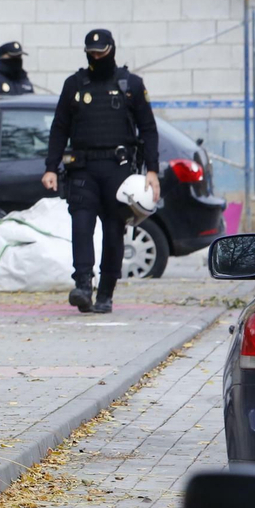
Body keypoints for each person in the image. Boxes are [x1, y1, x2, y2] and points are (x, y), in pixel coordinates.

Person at [41, 28, 160, 314]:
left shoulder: (130, 84)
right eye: (91, 52)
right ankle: (83, 286)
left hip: (118, 170)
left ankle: (106, 291)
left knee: (112, 229)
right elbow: (60, 127)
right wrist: (51, 167)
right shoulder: (75, 84)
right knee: (81, 226)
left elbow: (148, 129)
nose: (96, 57)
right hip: (82, 168)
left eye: (100, 52)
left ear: (111, 50)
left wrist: (152, 171)